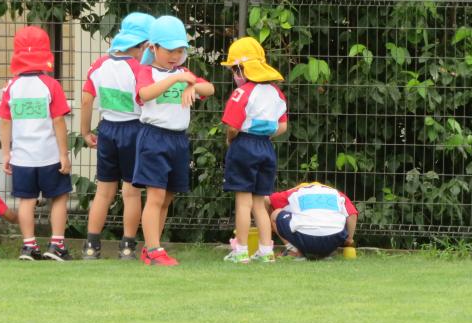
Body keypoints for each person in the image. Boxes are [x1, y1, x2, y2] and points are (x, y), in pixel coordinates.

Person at [132, 15, 215, 266]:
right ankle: (154, 249)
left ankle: (152, 248)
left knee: (167, 198)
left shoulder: (184, 71)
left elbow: (209, 88)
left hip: (178, 140)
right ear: (153, 48)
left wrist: (193, 86)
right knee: (155, 196)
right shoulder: (147, 71)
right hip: (154, 138)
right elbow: (145, 94)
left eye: (180, 51)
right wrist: (177, 79)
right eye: (169, 50)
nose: (175, 56)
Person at [80, 12, 154, 260]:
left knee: (103, 191)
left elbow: (86, 99)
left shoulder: (99, 64)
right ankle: (127, 247)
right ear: (143, 45)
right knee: (132, 192)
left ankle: (91, 246)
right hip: (134, 130)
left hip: (107, 128)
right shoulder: (139, 68)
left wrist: (85, 131)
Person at [0, 26, 73, 261]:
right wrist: (64, 154)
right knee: (59, 197)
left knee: (26, 200)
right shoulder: (51, 85)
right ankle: (56, 245)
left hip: (22, 156)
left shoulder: (11, 88)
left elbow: (4, 120)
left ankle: (29, 246)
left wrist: (6, 153)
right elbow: (58, 120)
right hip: (50, 154)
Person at [220, 37, 288, 264]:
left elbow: (232, 126)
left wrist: (231, 140)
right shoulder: (276, 93)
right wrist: (265, 134)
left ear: (241, 68)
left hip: (244, 146)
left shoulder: (241, 94)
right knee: (260, 201)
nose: (233, 74)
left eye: (233, 69)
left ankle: (240, 251)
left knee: (243, 202)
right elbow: (283, 126)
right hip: (266, 147)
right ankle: (266, 249)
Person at [267, 182, 358, 260]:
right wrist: (349, 240)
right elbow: (352, 214)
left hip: (304, 239)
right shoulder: (337, 193)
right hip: (333, 239)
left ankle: (294, 251)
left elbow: (267, 200)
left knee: (275, 214)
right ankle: (327, 252)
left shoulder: (295, 192)